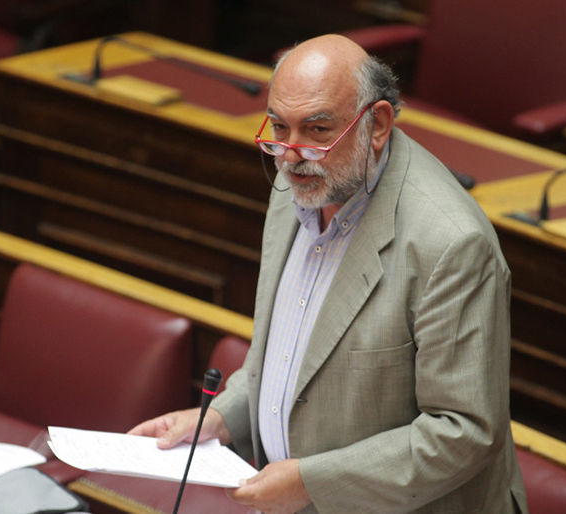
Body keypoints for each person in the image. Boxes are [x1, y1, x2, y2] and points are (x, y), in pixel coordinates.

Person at [129, 34, 528, 514]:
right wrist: (220, 418)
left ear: (378, 124)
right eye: (279, 127)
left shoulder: (451, 244)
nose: (291, 153)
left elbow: (463, 432)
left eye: (318, 130)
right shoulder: (297, 184)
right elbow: (288, 353)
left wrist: (311, 484)